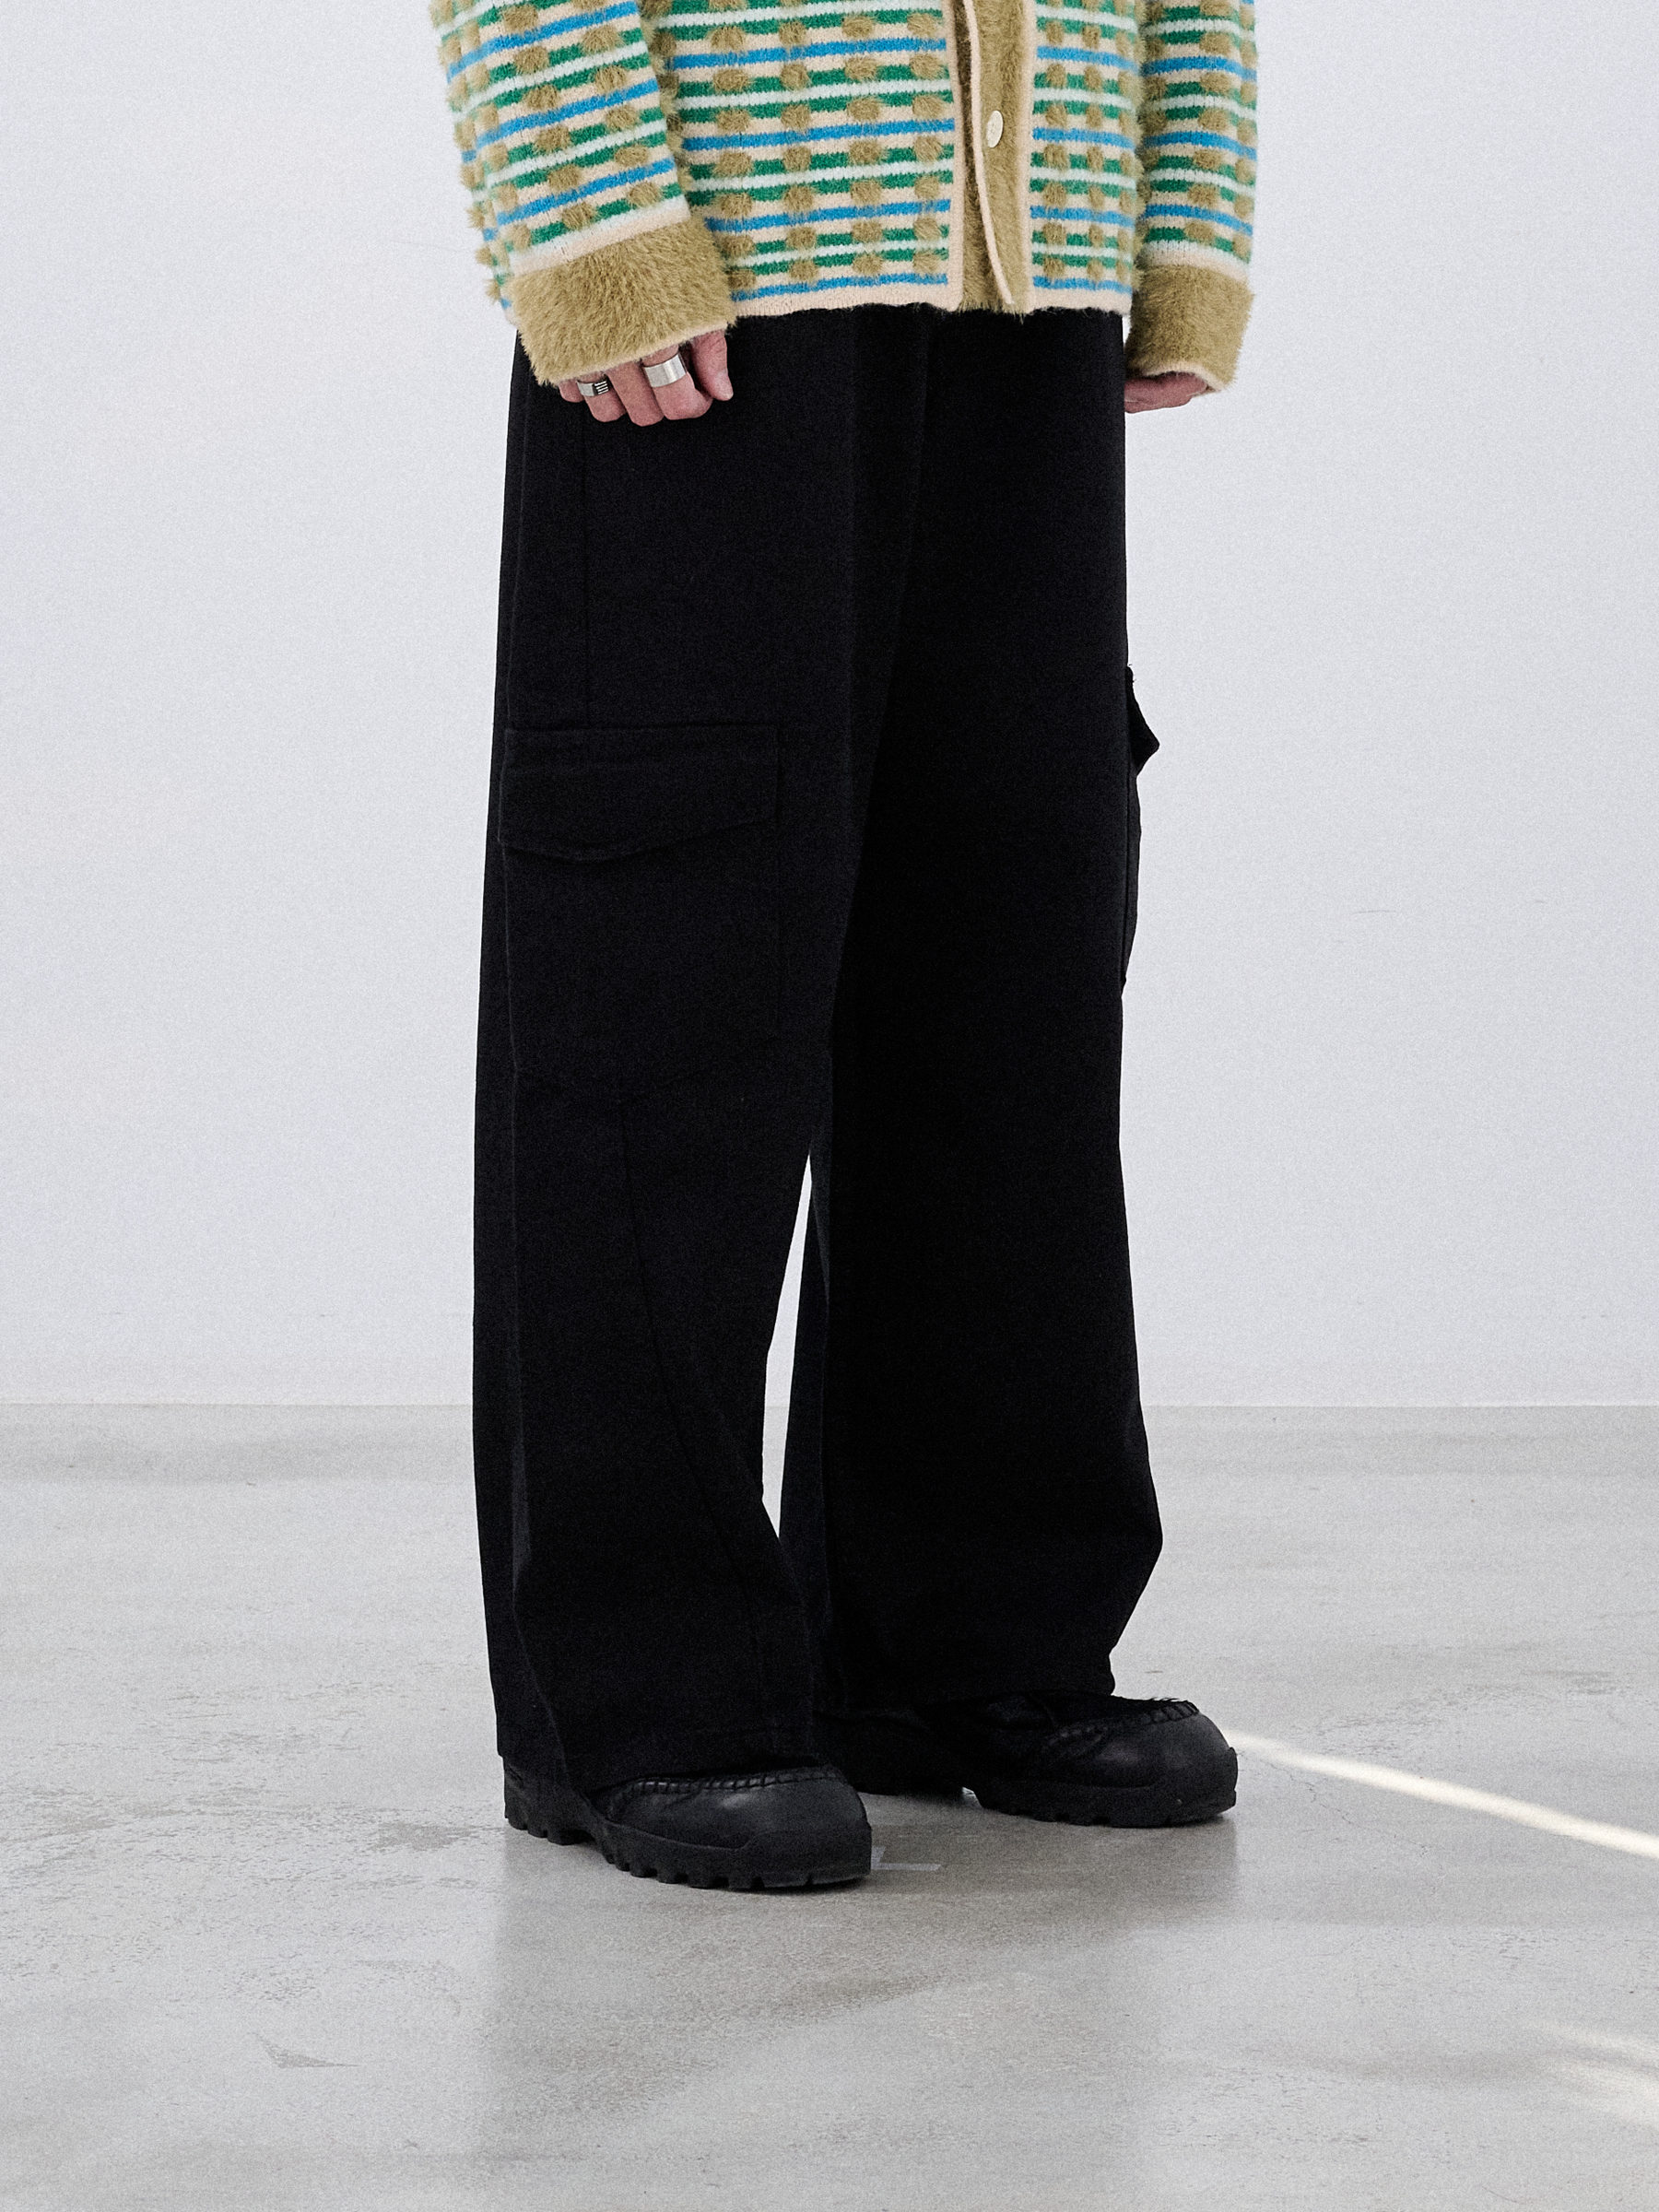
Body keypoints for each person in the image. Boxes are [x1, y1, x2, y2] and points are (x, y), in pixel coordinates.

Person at [433, 0, 1256, 1890]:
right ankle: (631, 1695)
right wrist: (591, 219)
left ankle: (958, 1640)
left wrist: (1179, 227)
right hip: (719, 272)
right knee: (668, 956)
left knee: (1014, 942)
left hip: (1035, 262)